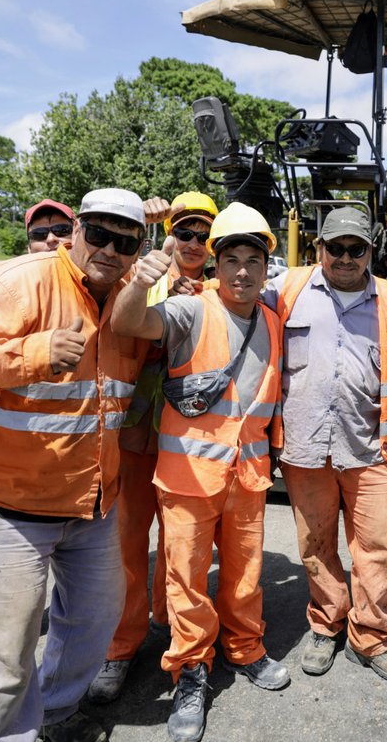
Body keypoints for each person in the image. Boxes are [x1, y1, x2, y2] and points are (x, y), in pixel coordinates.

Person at [0, 187, 154, 742]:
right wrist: (34, 353)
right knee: (5, 654)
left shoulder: (129, 301)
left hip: (89, 501)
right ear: (76, 232)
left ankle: (54, 712)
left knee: (95, 618)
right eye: (98, 234)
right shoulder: (19, 283)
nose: (110, 250)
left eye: (125, 242)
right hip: (0, 500)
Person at [110, 201, 289, 742]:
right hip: (188, 478)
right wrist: (142, 280)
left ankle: (245, 647)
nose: (241, 271)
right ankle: (191, 669)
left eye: (252, 260)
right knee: (186, 580)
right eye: (230, 259)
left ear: (266, 268)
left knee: (245, 574)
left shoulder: (273, 321)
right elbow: (128, 322)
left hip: (247, 476)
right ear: (216, 264)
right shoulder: (191, 310)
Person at [261, 206, 387, 684]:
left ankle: (370, 638)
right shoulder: (286, 290)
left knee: (378, 549)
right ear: (319, 248)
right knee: (316, 545)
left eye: (356, 249)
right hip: (306, 447)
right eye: (336, 248)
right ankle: (327, 624)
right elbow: (229, 298)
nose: (346, 258)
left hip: (368, 448)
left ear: (370, 251)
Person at [87, 191, 219, 704]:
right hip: (137, 434)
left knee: (179, 545)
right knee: (127, 543)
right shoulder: (141, 276)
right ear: (168, 235)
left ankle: (169, 624)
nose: (193, 242)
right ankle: (120, 645)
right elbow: (107, 298)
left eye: (203, 235)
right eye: (184, 231)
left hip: (189, 440)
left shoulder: (221, 289)